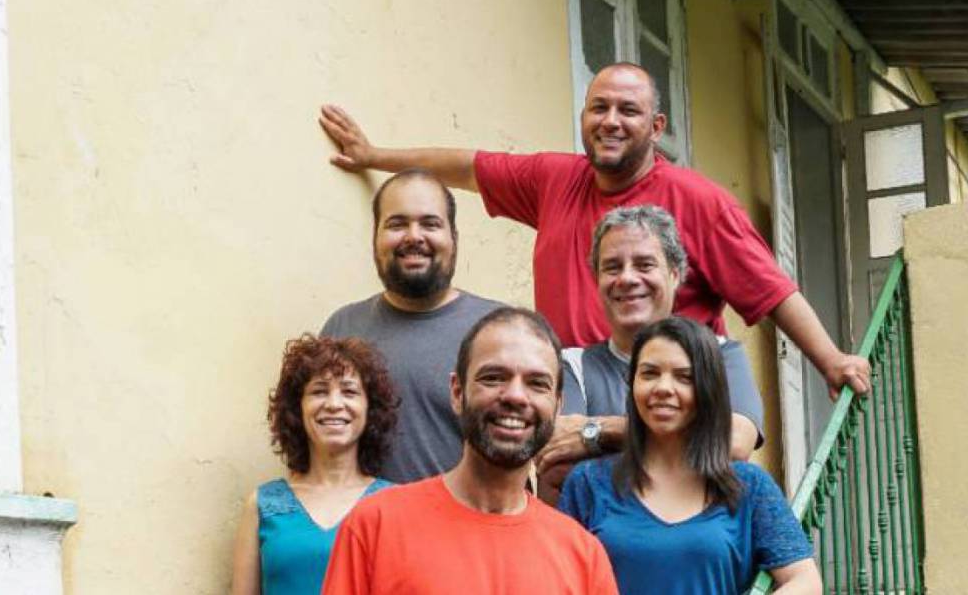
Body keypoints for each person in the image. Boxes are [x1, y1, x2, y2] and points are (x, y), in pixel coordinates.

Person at [318, 62, 870, 402]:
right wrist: (374, 155)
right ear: (583, 118)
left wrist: (830, 359)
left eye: (628, 110)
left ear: (656, 128)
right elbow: (467, 166)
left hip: (662, 399)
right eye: (598, 107)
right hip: (567, 400)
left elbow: (772, 290)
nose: (610, 121)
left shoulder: (699, 202)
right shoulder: (554, 179)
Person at [320, 308, 619, 595]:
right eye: (493, 378)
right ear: (457, 392)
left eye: (537, 383)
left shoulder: (583, 556)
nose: (515, 395)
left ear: (557, 405)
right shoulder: (375, 526)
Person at [558, 317, 820, 595]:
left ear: (708, 389)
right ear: (632, 383)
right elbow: (558, 579)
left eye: (684, 377)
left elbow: (805, 582)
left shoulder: (748, 486)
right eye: (649, 373)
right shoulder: (589, 482)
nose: (663, 388)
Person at [537, 205, 763, 504]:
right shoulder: (571, 365)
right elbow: (559, 466)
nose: (627, 278)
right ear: (597, 280)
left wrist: (597, 431)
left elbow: (732, 442)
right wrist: (688, 442)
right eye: (612, 267)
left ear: (675, 274)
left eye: (644, 265)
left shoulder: (721, 356)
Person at [319, 168, 502, 483]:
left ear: (453, 238)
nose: (414, 236)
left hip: (470, 527)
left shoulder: (502, 331)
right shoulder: (343, 327)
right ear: (376, 236)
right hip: (367, 529)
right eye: (397, 224)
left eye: (430, 224)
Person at [230, 335, 399, 595]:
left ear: (370, 408)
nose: (334, 404)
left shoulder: (396, 504)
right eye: (319, 391)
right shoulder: (262, 505)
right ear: (297, 409)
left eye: (349, 391)